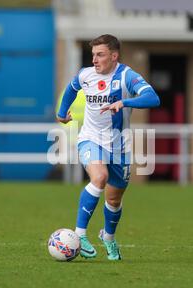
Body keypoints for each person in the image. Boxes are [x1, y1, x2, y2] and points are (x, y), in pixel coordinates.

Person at [56, 34, 160, 260]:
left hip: (120, 147)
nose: (94, 59)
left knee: (113, 200)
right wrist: (62, 113)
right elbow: (72, 88)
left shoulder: (127, 76)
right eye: (93, 54)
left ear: (114, 56)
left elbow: (153, 98)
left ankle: (108, 238)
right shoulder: (86, 75)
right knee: (99, 177)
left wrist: (125, 102)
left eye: (100, 54)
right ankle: (79, 235)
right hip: (90, 139)